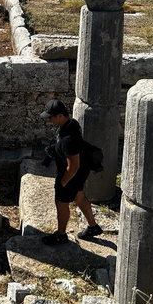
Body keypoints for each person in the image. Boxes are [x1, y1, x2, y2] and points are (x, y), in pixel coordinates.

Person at [39, 99, 103, 244]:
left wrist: (63, 182)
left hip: (72, 175)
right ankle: (93, 226)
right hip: (81, 172)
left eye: (51, 117)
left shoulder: (68, 139)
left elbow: (73, 166)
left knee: (61, 203)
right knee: (79, 197)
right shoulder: (72, 123)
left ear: (60, 116)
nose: (49, 120)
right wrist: (55, 149)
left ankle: (60, 235)